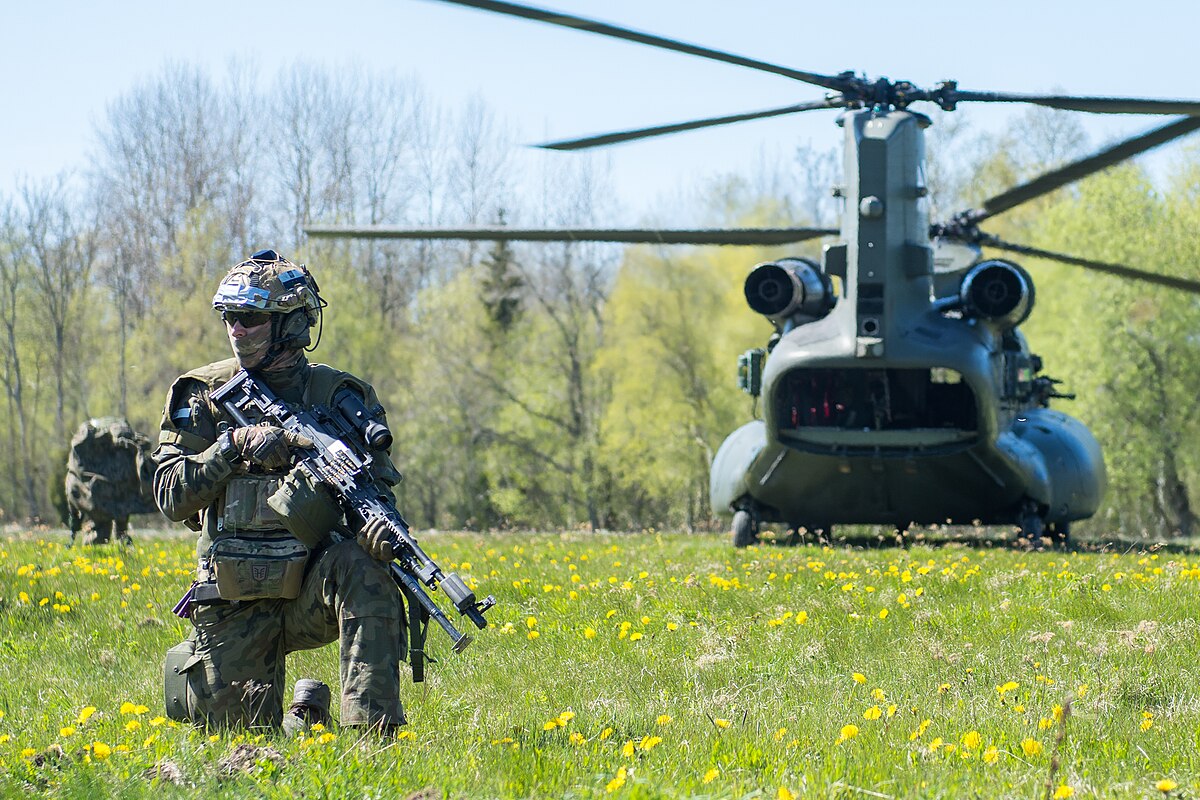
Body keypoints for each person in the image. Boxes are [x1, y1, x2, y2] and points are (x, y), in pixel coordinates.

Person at [154, 249, 406, 734]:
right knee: (245, 741)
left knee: (366, 570)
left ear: (291, 323)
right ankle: (305, 714)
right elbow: (169, 495)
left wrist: (378, 535)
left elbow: (377, 493)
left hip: (312, 588)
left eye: (250, 318)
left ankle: (372, 743)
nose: (235, 329)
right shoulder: (202, 392)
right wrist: (232, 446)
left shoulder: (342, 398)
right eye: (230, 317)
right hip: (233, 599)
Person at [65, 416, 159, 544]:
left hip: (99, 497)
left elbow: (73, 493)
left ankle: (111, 547)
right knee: (117, 530)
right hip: (120, 493)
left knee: (102, 534)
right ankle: (121, 545)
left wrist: (74, 528)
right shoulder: (122, 447)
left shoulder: (83, 454)